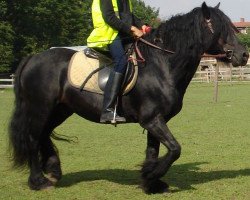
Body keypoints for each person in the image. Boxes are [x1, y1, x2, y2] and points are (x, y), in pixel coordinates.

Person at [87, 0, 148, 123]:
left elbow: (127, 15)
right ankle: (107, 110)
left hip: (121, 34)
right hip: (108, 34)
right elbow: (109, 17)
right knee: (121, 62)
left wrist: (143, 26)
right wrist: (132, 29)